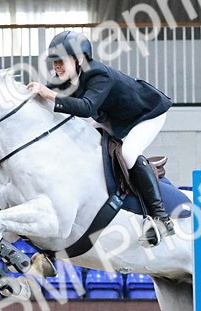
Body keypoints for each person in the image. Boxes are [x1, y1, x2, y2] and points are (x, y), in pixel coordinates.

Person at [26, 30, 174, 246]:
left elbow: (86, 108)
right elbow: (47, 96)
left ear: (78, 59)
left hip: (146, 114)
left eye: (60, 61)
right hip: (113, 118)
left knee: (129, 153)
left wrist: (48, 94)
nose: (55, 67)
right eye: (53, 62)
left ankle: (161, 218)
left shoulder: (98, 74)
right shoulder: (66, 79)